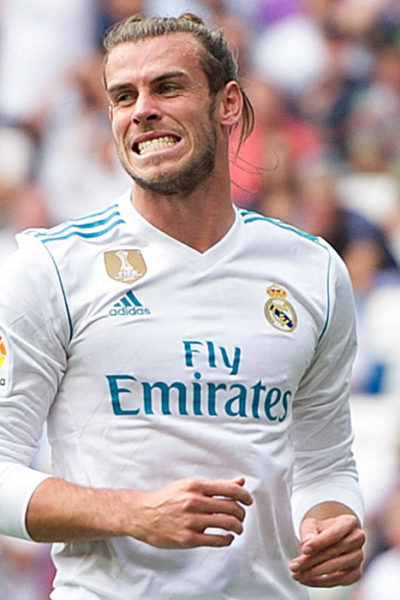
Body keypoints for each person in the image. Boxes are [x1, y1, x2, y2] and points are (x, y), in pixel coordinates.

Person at [0, 13, 365, 599]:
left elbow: (326, 464)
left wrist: (332, 524)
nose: (142, 110)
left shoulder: (313, 270)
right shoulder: (52, 268)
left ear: (227, 104)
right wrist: (134, 513)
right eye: (124, 96)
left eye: (167, 87)